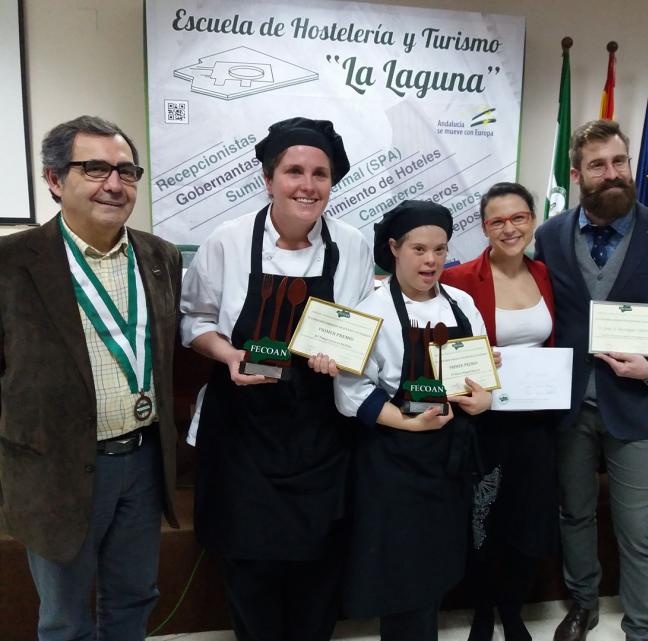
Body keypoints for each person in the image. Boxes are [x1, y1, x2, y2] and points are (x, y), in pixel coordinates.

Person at [180, 117, 374, 641]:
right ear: (269, 180)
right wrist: (229, 354)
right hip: (243, 431)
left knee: (317, 568)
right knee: (250, 567)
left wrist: (345, 356)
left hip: (319, 431)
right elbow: (193, 321)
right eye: (294, 171)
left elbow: (357, 328)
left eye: (320, 174)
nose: (307, 185)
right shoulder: (228, 240)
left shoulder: (353, 244)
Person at [0, 115, 181, 641]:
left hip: (143, 463)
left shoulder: (159, 257)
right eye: (95, 168)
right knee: (66, 620)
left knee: (133, 601)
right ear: (54, 180)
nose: (115, 184)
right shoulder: (11, 264)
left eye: (127, 171)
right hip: (54, 470)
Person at [534, 119, 648, 641]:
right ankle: (583, 605)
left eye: (620, 162)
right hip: (569, 405)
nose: (612, 174)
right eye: (599, 165)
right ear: (578, 174)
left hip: (637, 405)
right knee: (574, 513)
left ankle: (642, 628)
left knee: (638, 529)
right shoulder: (551, 235)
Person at [334, 200, 493, 641]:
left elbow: (481, 378)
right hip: (394, 461)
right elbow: (351, 392)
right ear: (394, 248)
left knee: (436, 566)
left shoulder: (461, 304)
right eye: (419, 249)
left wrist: (484, 401)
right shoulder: (372, 310)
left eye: (440, 250)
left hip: (449, 460)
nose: (431, 261)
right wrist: (407, 424)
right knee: (401, 575)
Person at [441, 182, 558, 641]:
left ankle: (513, 611)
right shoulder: (460, 279)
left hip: (537, 423)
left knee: (529, 522)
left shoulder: (546, 274)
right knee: (484, 522)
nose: (509, 228)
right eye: (497, 221)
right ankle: (483, 613)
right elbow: (440, 344)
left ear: (532, 220)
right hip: (483, 423)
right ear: (484, 226)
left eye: (518, 218)